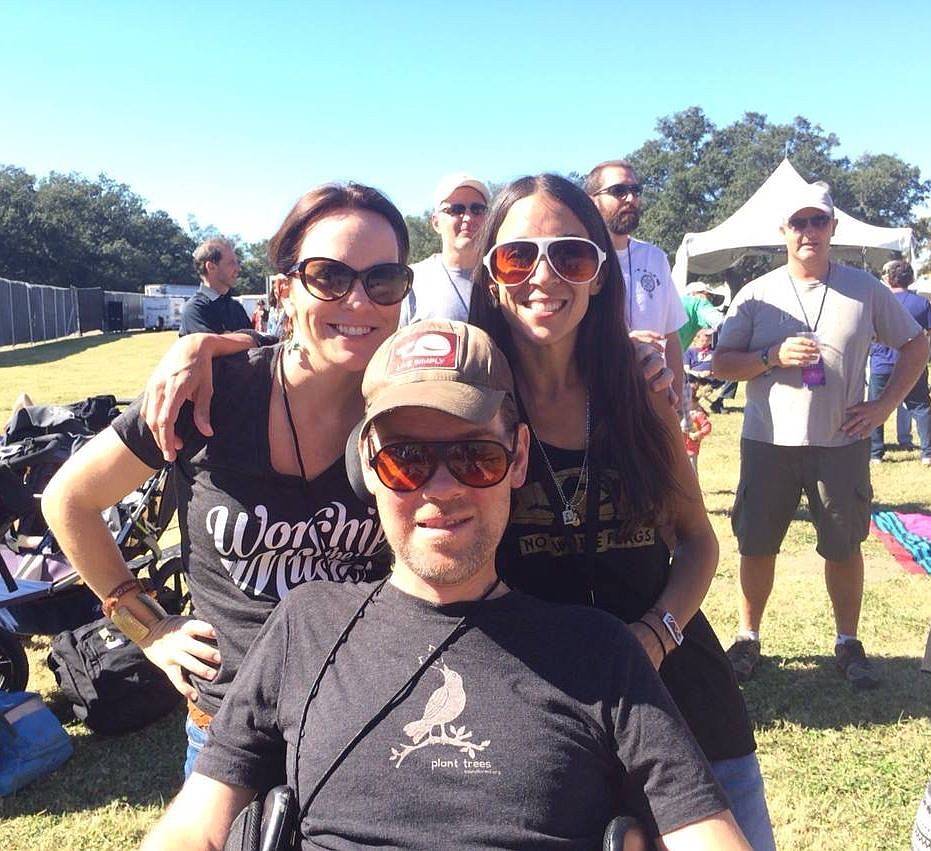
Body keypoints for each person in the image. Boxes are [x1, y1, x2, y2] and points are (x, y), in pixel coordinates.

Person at [141, 319, 750, 851]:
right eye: (404, 460)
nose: (440, 489)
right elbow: (195, 827)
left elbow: (703, 831)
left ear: (517, 459)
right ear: (366, 469)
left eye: (475, 457)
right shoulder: (305, 626)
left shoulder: (600, 652)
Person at [41, 183, 415, 776]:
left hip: (363, 725)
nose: (359, 301)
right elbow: (70, 500)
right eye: (329, 277)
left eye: (383, 280)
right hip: (229, 732)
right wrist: (147, 623)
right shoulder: (212, 392)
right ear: (286, 289)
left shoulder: (409, 408)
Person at [469, 174, 775, 850]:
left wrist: (656, 633)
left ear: (600, 277)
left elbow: (697, 540)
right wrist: (205, 346)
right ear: (490, 276)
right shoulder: (468, 401)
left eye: (570, 256)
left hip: (678, 692)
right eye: (518, 256)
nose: (543, 275)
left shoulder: (639, 391)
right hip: (536, 705)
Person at [712, 180, 930, 690]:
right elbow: (721, 364)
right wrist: (770, 358)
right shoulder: (757, 293)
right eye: (798, 223)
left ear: (832, 228)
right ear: (783, 231)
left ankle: (847, 642)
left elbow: (916, 346)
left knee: (843, 545)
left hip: (841, 443)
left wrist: (883, 406)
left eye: (818, 222)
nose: (808, 232)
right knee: (756, 544)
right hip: (767, 442)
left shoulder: (866, 288)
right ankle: (748, 638)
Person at [586, 160, 687, 399]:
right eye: (618, 191)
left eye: (635, 191)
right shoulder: (577, 259)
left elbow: (671, 335)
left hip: (653, 397)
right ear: (592, 201)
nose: (630, 199)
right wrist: (619, 344)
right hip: (597, 397)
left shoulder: (656, 257)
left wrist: (678, 400)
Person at [399, 172, 491, 326]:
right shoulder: (411, 281)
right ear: (436, 223)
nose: (468, 218)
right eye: (456, 210)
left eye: (477, 209)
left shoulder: (504, 279)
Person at [868, 259, 931, 466]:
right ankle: (927, 453)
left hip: (881, 363)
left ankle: (876, 453)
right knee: (921, 406)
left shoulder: (878, 301)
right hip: (912, 364)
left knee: (875, 406)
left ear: (888, 277)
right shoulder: (922, 303)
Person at [179, 238, 252, 336]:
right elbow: (210, 347)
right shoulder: (194, 310)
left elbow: (256, 344)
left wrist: (228, 338)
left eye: (237, 263)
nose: (238, 268)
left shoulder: (236, 308)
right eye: (231, 263)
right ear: (211, 267)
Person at [685, 385, 713, 476]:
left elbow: (707, 426)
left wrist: (698, 434)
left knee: (692, 470)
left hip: (691, 447)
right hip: (680, 446)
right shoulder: (682, 414)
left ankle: (694, 488)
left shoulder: (697, 414)